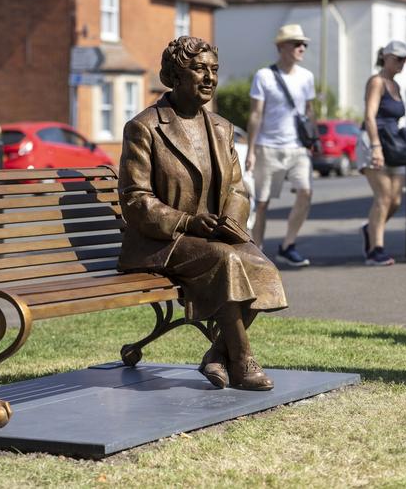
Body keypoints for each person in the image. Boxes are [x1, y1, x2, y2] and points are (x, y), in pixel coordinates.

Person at [117, 36, 288, 391]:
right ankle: (241, 360)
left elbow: (237, 189)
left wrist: (230, 222)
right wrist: (188, 222)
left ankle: (215, 354)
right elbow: (135, 199)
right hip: (160, 242)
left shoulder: (222, 129)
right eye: (198, 69)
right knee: (226, 261)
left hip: (212, 238)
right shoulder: (144, 127)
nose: (209, 78)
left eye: (214, 70)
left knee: (263, 268)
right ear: (175, 76)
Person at [245, 24, 316, 267]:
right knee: (262, 202)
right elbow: (256, 115)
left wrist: (310, 141)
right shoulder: (263, 76)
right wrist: (251, 151)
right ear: (281, 47)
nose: (302, 48)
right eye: (296, 43)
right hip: (268, 147)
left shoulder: (307, 77)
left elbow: (309, 111)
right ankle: (258, 252)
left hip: (298, 148)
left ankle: (288, 245)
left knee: (305, 193)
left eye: (304, 44)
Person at [356, 40, 406, 266]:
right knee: (383, 197)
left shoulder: (396, 86)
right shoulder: (377, 82)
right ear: (386, 57)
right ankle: (375, 250)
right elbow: (370, 116)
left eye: (405, 59)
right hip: (374, 142)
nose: (402, 63)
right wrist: (375, 146)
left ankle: (370, 229)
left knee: (396, 200)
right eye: (398, 58)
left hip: (394, 145)